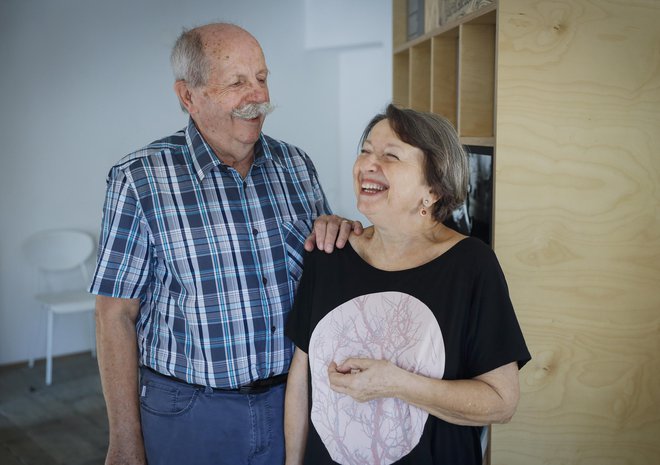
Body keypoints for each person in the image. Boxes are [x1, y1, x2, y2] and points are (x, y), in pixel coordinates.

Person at [90, 23, 360, 465]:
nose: (257, 95)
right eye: (237, 83)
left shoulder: (296, 165)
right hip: (190, 412)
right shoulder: (140, 179)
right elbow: (114, 314)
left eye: (261, 78)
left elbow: (322, 272)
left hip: (292, 401)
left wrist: (340, 231)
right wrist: (122, 440)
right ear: (188, 96)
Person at [284, 104, 531, 465]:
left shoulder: (471, 266)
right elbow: (301, 381)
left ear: (432, 189)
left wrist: (397, 384)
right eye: (366, 150)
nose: (368, 163)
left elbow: (501, 402)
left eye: (390, 155)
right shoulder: (328, 255)